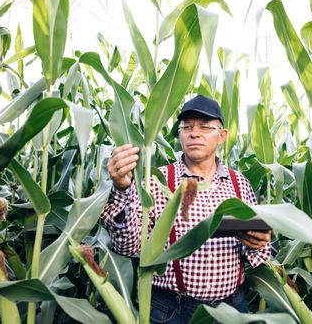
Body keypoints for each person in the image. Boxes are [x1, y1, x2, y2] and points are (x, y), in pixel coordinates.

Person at [100, 95, 272, 323]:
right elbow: (127, 246)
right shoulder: (157, 181)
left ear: (222, 136)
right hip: (173, 311)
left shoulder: (239, 184)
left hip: (231, 309)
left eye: (204, 127)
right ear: (180, 135)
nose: (194, 133)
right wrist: (122, 188)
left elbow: (257, 256)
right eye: (187, 127)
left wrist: (258, 242)